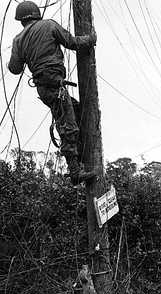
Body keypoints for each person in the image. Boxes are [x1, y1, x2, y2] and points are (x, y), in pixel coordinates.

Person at [8, 1, 97, 185]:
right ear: (36, 14)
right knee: (68, 125)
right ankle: (75, 171)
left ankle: (79, 158)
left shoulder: (18, 40)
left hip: (44, 87)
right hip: (55, 84)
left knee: (76, 111)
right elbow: (73, 42)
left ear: (21, 20)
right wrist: (91, 39)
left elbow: (14, 69)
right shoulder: (49, 25)